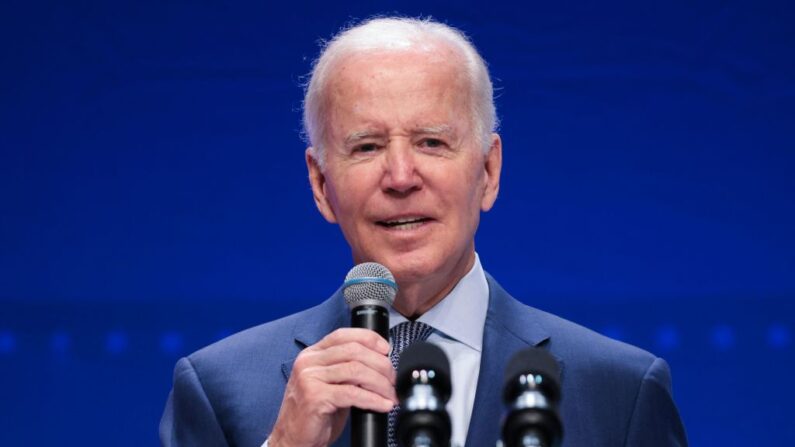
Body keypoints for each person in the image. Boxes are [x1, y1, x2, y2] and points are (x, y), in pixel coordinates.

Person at [160, 17, 687, 447]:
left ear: (488, 172)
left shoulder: (617, 392)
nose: (401, 177)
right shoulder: (219, 389)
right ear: (321, 185)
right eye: (365, 146)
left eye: (432, 142)